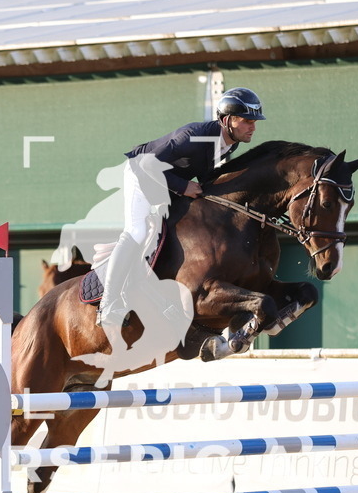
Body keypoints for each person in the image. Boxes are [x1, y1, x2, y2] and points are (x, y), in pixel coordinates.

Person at [96, 87, 266, 327]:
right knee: (137, 231)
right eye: (247, 121)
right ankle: (108, 304)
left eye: (254, 122)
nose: (253, 127)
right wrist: (183, 187)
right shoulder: (193, 136)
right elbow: (147, 165)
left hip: (168, 182)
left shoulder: (231, 143)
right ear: (228, 120)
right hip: (141, 174)